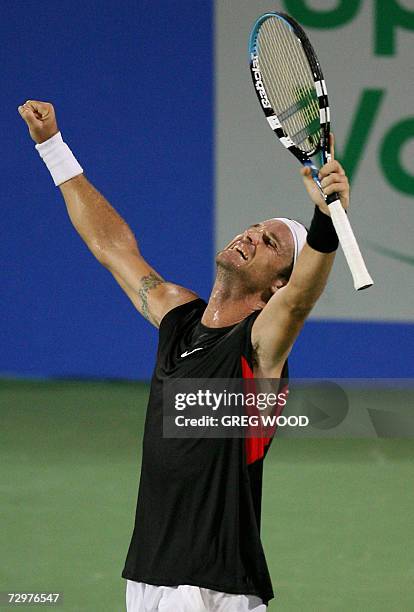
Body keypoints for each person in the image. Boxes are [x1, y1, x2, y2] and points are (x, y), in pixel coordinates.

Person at [19, 100, 349, 612]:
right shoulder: (177, 316)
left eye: (269, 244)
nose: (250, 237)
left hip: (213, 586)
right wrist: (53, 147)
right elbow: (113, 247)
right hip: (147, 574)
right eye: (255, 228)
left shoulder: (261, 349)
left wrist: (325, 221)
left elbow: (301, 302)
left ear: (278, 283)